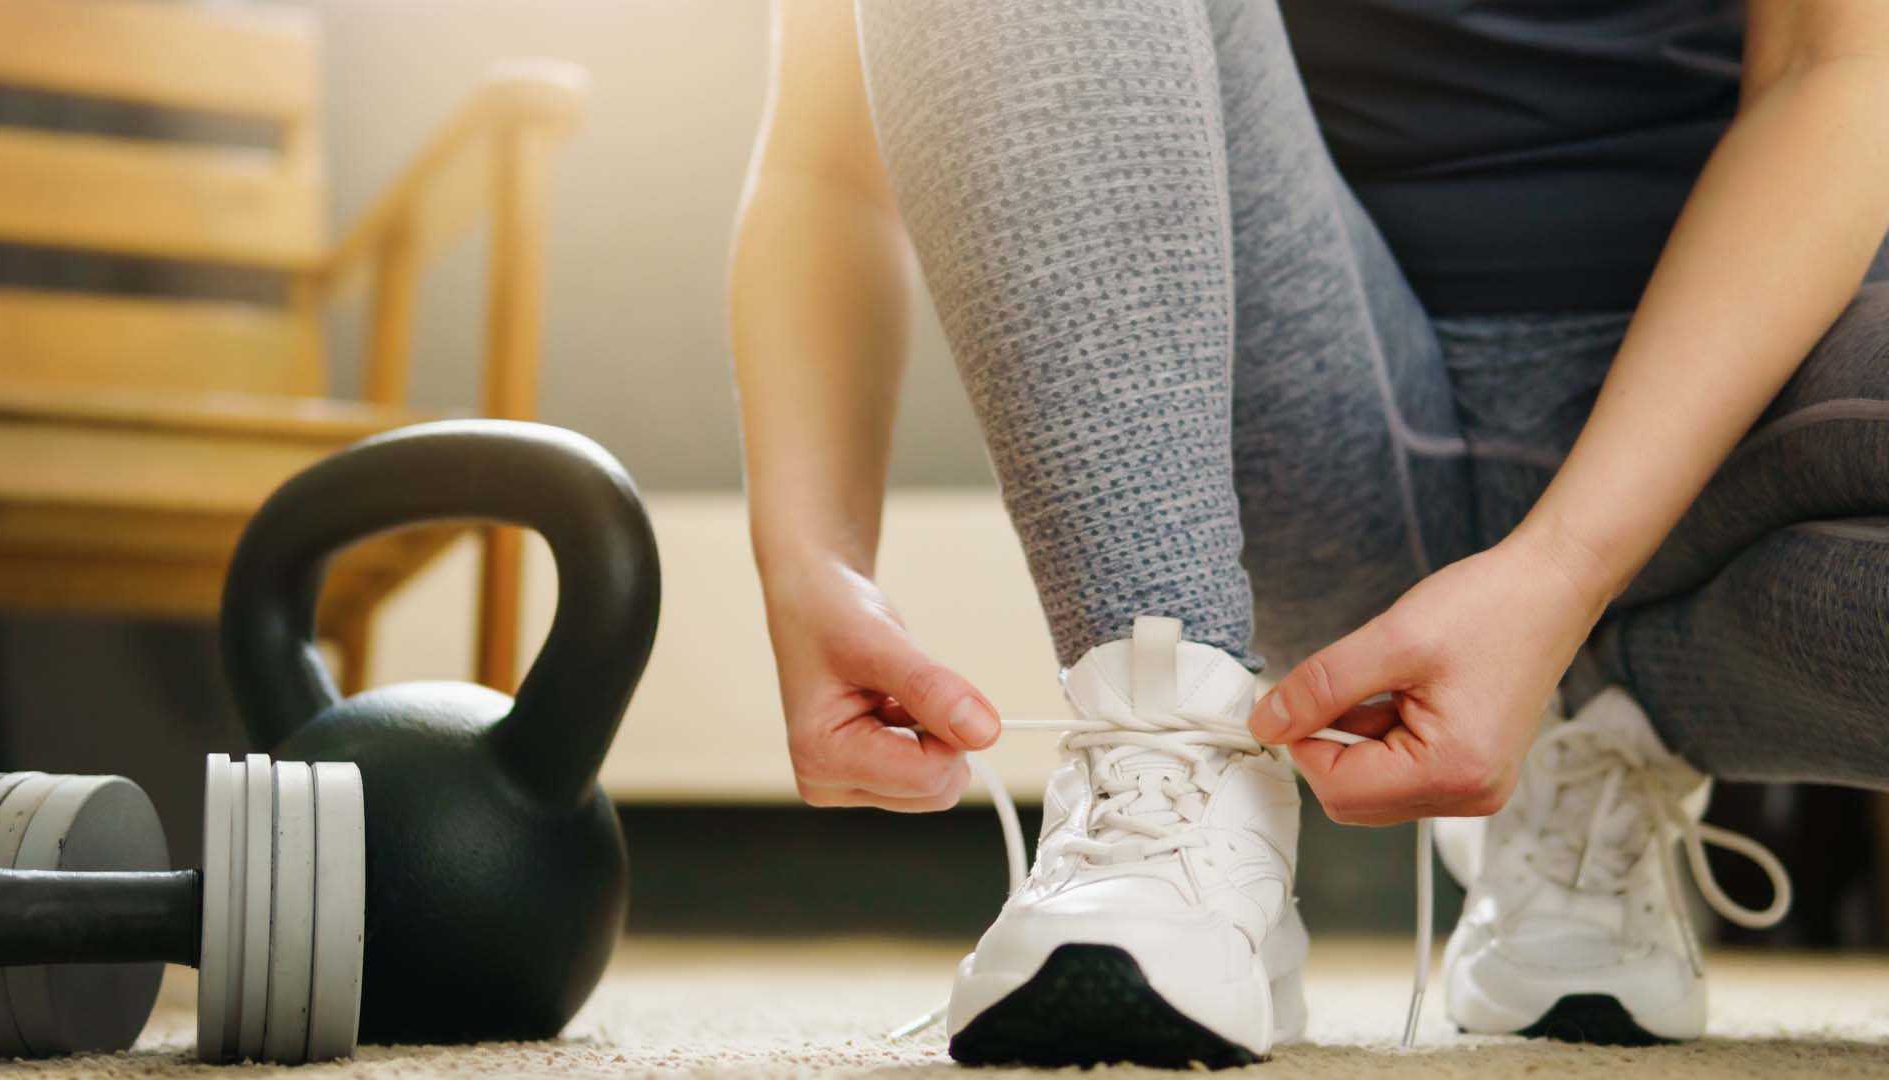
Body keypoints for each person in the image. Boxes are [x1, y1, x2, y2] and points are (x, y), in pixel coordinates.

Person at [728, 0, 1889, 1066]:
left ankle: (1593, 732)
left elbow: (1835, 68)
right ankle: (1168, 773)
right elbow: (833, 166)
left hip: (1736, 430)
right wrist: (811, 562)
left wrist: (1563, 573)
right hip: (1329, 414)